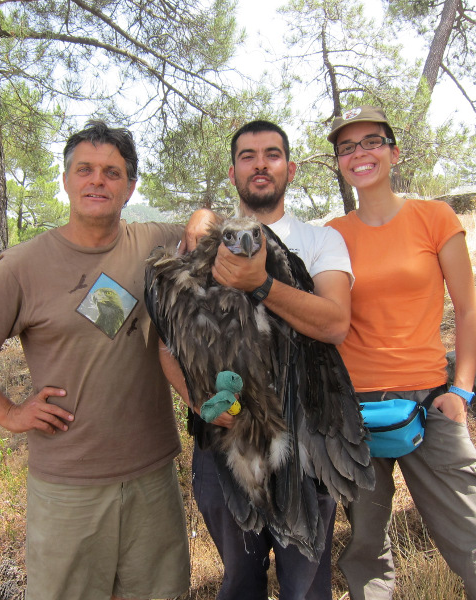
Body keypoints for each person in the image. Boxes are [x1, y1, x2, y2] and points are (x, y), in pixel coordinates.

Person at [0, 120, 208, 600]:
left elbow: (210, 223)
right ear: (65, 180)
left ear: (130, 187)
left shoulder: (155, 244)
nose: (97, 181)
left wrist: (202, 220)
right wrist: (8, 413)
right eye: (84, 170)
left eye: (111, 172)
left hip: (152, 477)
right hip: (68, 485)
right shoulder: (25, 264)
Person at [160, 120, 353, 600]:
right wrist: (201, 400)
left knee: (307, 587)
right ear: (233, 172)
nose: (260, 164)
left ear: (289, 168)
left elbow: (334, 324)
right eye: (248, 156)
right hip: (226, 440)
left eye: (271, 154)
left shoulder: (320, 240)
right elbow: (166, 348)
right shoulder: (203, 245)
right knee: (239, 583)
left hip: (307, 434)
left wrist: (259, 284)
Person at [325, 106, 476, 600]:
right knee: (365, 543)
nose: (359, 153)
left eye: (371, 142)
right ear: (339, 163)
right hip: (356, 410)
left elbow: (469, 312)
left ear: (393, 152)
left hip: (431, 402)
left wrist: (462, 392)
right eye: (347, 148)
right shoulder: (332, 234)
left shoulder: (434, 217)